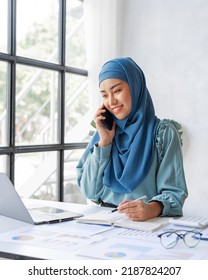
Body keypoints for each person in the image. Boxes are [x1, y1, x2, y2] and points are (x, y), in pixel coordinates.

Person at [76, 57, 188, 221]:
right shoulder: (104, 133)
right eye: (105, 95)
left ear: (135, 87)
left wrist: (151, 209)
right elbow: (90, 191)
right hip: (104, 223)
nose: (111, 102)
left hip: (146, 226)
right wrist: (105, 144)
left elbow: (174, 193)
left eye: (117, 91)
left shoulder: (163, 133)